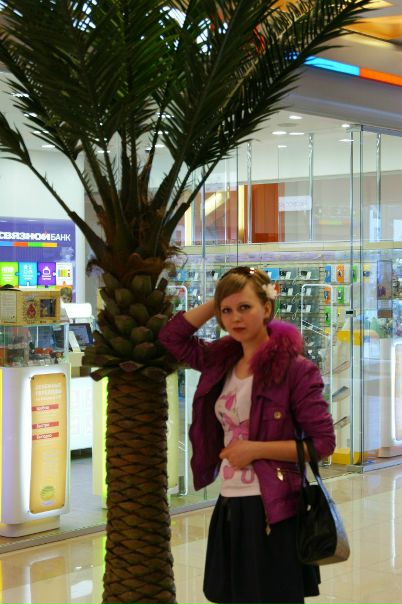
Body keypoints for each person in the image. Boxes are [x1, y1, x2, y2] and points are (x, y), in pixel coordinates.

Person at [159, 266, 335, 604]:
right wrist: (217, 300)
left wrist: (255, 449)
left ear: (266, 308)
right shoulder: (220, 361)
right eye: (227, 311)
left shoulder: (295, 370)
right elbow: (171, 337)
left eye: (245, 307)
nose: (235, 318)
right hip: (230, 502)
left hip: (273, 507)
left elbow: (323, 443)